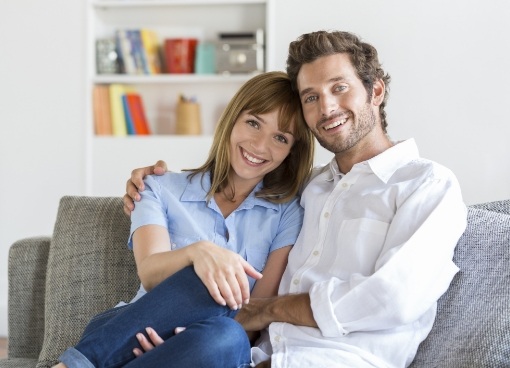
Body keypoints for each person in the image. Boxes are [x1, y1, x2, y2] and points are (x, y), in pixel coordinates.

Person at [125, 30, 467, 368]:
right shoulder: (309, 187)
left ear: (375, 90)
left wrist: (268, 309)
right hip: (252, 357)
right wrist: (150, 183)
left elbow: (393, 298)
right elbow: (247, 173)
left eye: (339, 87)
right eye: (311, 97)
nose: (327, 107)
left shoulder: (427, 186)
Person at [51, 71, 315, 368]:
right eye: (253, 123)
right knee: (207, 271)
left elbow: (254, 314)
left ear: (292, 151)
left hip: (210, 347)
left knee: (226, 335)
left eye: (280, 138)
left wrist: (182, 342)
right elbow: (151, 273)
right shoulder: (157, 187)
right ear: (232, 120)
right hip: (126, 334)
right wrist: (198, 253)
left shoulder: (289, 213)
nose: (259, 145)